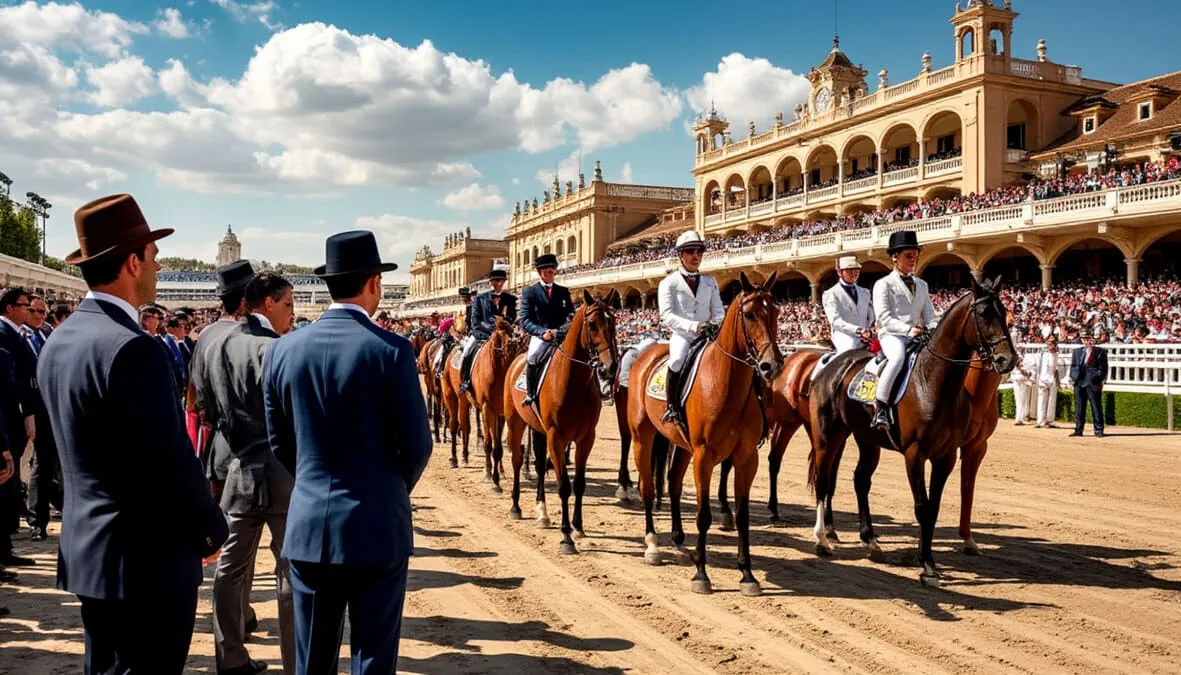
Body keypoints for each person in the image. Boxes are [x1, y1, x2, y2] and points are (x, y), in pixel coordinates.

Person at [37, 193, 228, 673]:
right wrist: (209, 527)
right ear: (130, 262)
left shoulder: (60, 338)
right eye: (153, 257)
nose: (158, 268)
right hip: (145, 560)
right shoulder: (131, 347)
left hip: (90, 550)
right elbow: (168, 458)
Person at [263, 231, 432, 674]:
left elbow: (280, 441)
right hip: (377, 523)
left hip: (309, 522)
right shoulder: (392, 350)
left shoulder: (282, 351)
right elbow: (417, 446)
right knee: (374, 657)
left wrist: (314, 484)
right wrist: (389, 487)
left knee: (311, 660)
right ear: (374, 283)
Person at [202, 272, 297, 675]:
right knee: (291, 571)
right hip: (280, 472)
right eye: (289, 304)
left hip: (236, 468)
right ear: (269, 303)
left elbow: (204, 405)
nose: (292, 313)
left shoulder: (213, 344)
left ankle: (231, 656)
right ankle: (297, 661)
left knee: (229, 571)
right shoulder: (277, 348)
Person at [871, 230, 936, 431]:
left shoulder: (922, 285)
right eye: (908, 256)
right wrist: (909, 329)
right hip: (893, 335)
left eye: (915, 256)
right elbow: (885, 317)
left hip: (916, 334)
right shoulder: (883, 284)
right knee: (898, 357)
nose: (913, 260)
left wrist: (934, 328)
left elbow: (930, 315)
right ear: (894, 257)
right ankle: (881, 407)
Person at [657, 230, 724, 425]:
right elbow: (666, 315)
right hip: (683, 336)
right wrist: (694, 326)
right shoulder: (668, 283)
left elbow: (719, 311)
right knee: (677, 360)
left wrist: (714, 324)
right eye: (690, 252)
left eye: (699, 252)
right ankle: (673, 407)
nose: (696, 256)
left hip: (708, 335)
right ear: (680, 255)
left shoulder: (710, 282)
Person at [0, 287, 38, 564]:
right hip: (10, 417)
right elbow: (13, 382)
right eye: (26, 306)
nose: (30, 311)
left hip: (18, 415)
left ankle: (5, 548)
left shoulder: (19, 334)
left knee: (9, 484)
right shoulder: (3, 334)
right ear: (10, 308)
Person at [518, 253, 574, 405]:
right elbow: (525, 319)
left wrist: (560, 331)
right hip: (541, 336)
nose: (551, 274)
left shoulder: (563, 291)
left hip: (561, 334)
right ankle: (531, 393)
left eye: (553, 271)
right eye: (547, 271)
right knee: (533, 357)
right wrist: (542, 332)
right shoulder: (530, 292)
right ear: (540, 273)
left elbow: (571, 315)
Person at [460, 268, 517, 393]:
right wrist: (492, 330)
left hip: (504, 334)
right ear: (490, 282)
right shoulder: (480, 299)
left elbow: (512, 317)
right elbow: (475, 321)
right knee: (467, 351)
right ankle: (465, 381)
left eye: (501, 281)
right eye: (496, 281)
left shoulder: (510, 299)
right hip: (482, 334)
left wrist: (505, 323)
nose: (499, 284)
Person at [821, 254, 875, 354]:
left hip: (866, 335)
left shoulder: (865, 292)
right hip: (844, 336)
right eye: (850, 270)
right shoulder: (830, 294)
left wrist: (871, 329)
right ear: (839, 272)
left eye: (856, 270)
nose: (854, 273)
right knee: (850, 349)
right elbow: (835, 321)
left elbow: (870, 315)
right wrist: (859, 330)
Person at [1069, 333, 1108, 437]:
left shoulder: (1099, 351)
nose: (1086, 341)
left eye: (1088, 339)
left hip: (1092, 382)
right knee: (1079, 408)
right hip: (1079, 382)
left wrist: (1095, 378)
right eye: (1084, 339)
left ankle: (1098, 430)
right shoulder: (1077, 351)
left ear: (1092, 340)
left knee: (1096, 407)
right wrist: (1074, 377)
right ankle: (1078, 429)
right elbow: (1073, 366)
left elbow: (1103, 368)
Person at [1035, 336, 1061, 428]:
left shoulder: (1057, 355)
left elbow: (1056, 369)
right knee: (1041, 401)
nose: (1049, 345)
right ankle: (1040, 421)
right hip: (1043, 380)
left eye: (1051, 344)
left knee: (1052, 401)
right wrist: (1040, 380)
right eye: (1048, 344)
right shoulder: (1042, 354)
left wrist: (1058, 381)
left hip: (1052, 380)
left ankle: (1050, 420)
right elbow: (1039, 368)